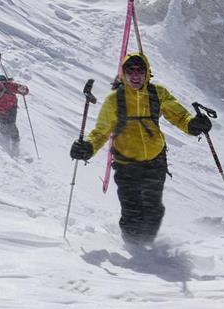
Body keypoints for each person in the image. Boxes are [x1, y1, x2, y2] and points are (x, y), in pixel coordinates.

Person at [68, 52, 212, 245]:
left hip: (155, 161)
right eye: (130, 71)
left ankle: (146, 247)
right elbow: (101, 131)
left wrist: (193, 125)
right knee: (132, 211)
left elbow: (179, 116)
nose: (135, 75)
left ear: (147, 72)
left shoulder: (157, 93)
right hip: (126, 164)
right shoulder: (114, 100)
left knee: (153, 210)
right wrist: (87, 147)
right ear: (124, 74)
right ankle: (133, 248)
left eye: (140, 71)